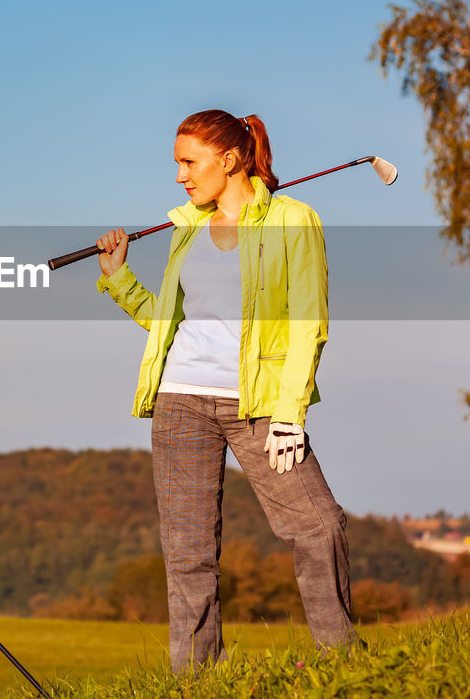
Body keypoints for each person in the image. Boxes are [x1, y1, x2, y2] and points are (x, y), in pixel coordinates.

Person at [94, 108, 359, 672]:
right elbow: (172, 324)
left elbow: (307, 323)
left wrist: (291, 414)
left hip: (261, 405)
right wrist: (120, 280)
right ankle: (196, 680)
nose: (179, 175)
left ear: (230, 159)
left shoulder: (293, 220)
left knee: (318, 524)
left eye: (188, 162)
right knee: (189, 555)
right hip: (180, 404)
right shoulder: (186, 227)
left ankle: (343, 663)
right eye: (177, 164)